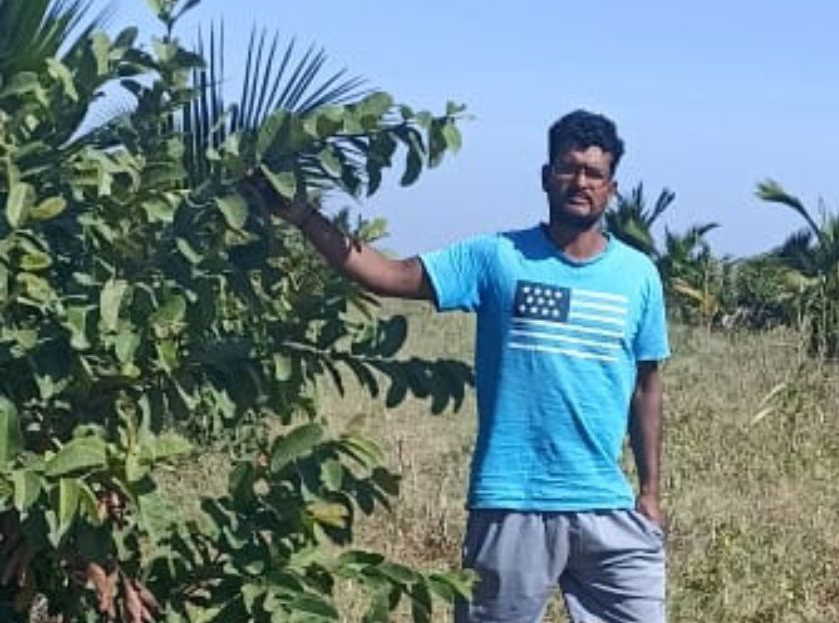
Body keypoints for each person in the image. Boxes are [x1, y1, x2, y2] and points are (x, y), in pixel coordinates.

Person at [275, 110, 670, 623]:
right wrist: (304, 216)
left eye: (594, 174)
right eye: (568, 168)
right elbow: (388, 275)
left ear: (612, 188)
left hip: (608, 506)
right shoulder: (496, 258)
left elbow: (647, 387)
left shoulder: (638, 276)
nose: (580, 182)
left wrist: (651, 492)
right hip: (512, 501)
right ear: (546, 177)